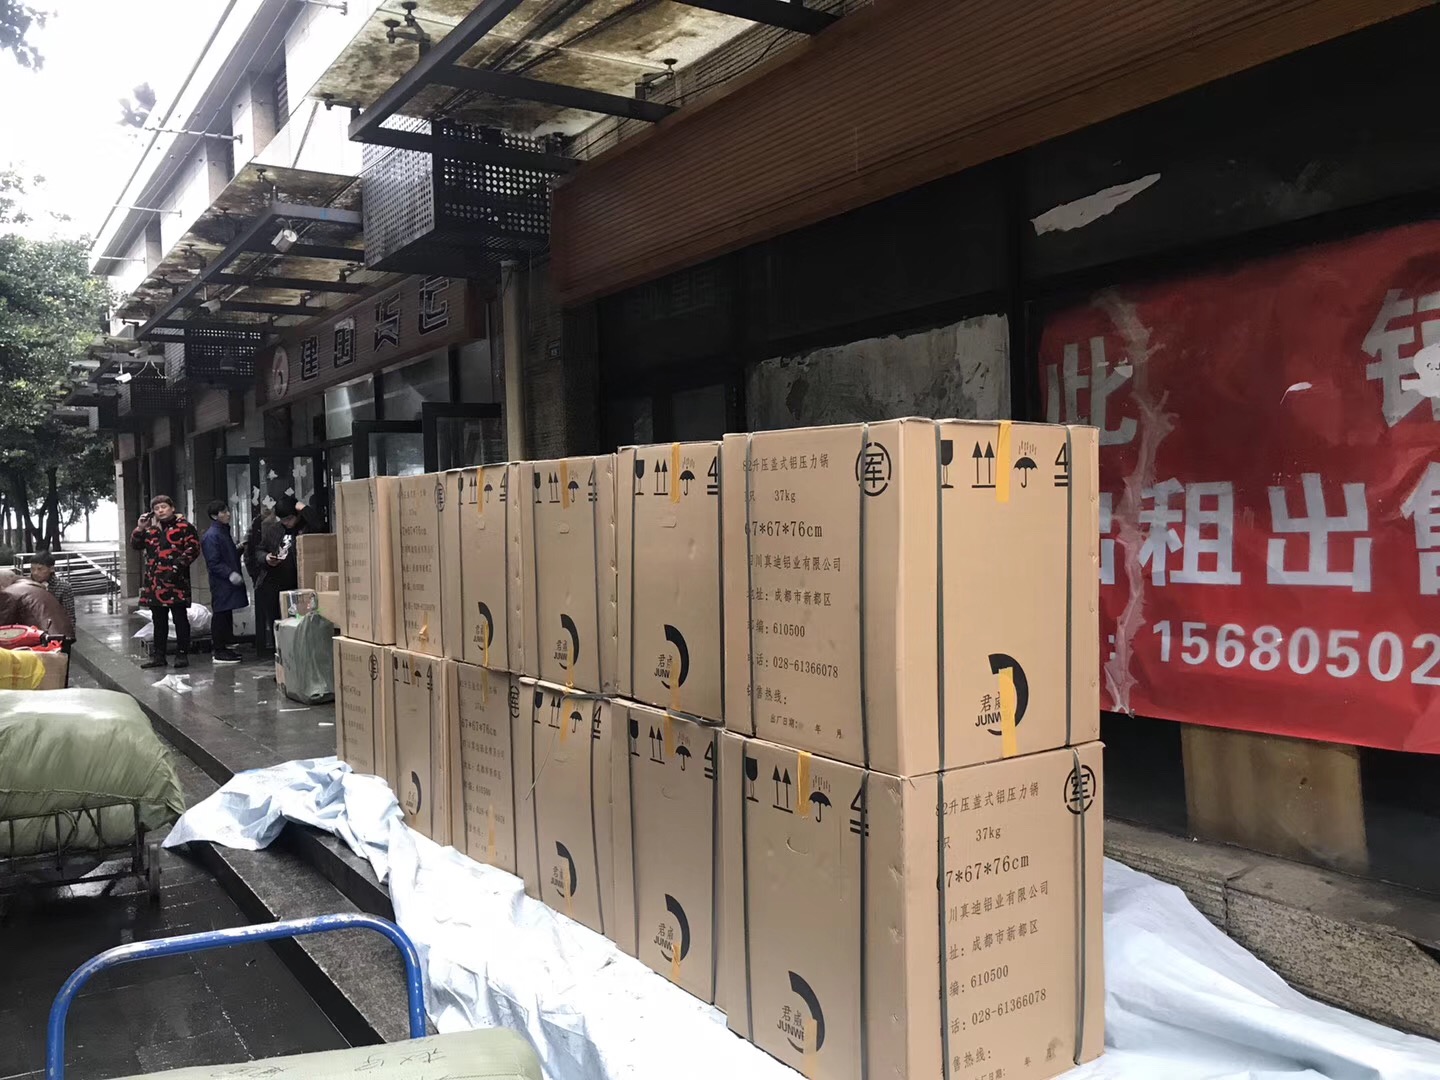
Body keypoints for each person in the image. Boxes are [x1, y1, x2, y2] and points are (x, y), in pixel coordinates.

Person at [129, 494, 201, 670]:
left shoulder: (184, 527)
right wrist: (140, 528)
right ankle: (159, 656)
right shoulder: (152, 530)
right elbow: (136, 545)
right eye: (156, 508)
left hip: (176, 582)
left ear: (172, 508)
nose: (160, 511)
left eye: (164, 507)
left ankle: (182, 653)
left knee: (180, 619)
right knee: (158, 621)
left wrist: (176, 567)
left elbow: (193, 549)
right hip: (155, 583)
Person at [253, 497, 321, 659]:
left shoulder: (306, 527)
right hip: (274, 582)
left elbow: (319, 524)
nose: (286, 523)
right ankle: (281, 657)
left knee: (300, 623)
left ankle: (299, 656)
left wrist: (303, 507)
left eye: (289, 518)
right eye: (283, 519)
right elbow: (259, 550)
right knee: (278, 622)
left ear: (297, 514)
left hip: (298, 583)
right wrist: (266, 558)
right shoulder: (274, 530)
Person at [200, 499, 247, 665]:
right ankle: (219, 650)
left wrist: (239, 548)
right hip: (222, 582)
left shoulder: (222, 532)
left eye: (227, 510)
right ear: (215, 516)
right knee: (220, 613)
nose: (228, 514)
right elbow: (213, 562)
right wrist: (230, 574)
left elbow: (227, 554)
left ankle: (225, 646)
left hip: (227, 582)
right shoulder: (212, 536)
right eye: (223, 512)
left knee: (226, 613)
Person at [0, 567, 74, 640]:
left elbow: (4, 623)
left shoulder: (10, 593)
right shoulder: (31, 586)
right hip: (61, 633)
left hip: (47, 637)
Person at [29, 551, 76, 637]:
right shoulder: (25, 585)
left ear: (51, 569)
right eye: (32, 569)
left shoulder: (63, 587)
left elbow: (69, 615)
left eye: (40, 569)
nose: (35, 572)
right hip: (31, 631)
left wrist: (69, 636)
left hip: (55, 632)